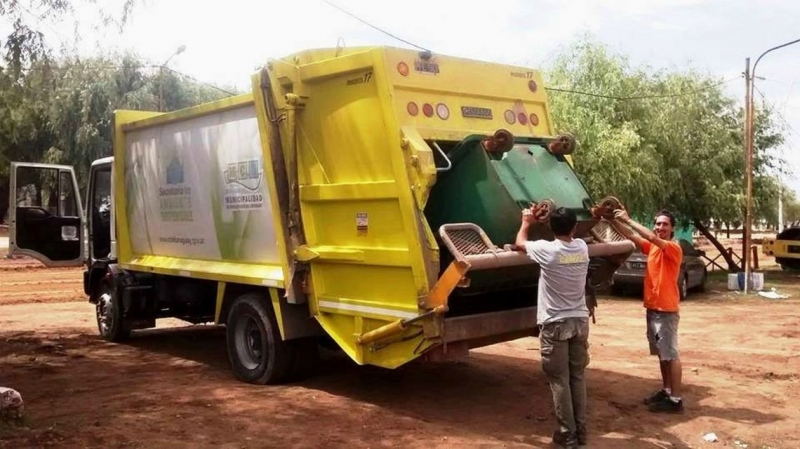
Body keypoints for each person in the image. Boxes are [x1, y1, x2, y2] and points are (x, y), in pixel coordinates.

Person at [515, 205, 591, 448]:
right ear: (575, 228)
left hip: (555, 324)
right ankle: (580, 431)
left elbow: (520, 243)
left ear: (551, 227)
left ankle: (566, 434)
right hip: (579, 321)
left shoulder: (547, 251)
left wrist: (527, 221)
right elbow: (568, 234)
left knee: (559, 380)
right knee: (577, 377)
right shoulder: (582, 248)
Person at [609, 208, 684, 413]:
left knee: (671, 354)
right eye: (658, 224)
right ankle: (666, 390)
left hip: (666, 309)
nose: (660, 228)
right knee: (662, 354)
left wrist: (628, 219)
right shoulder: (652, 248)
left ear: (672, 228)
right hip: (652, 308)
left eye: (665, 224)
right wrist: (612, 220)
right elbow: (630, 236)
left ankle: (676, 400)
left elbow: (647, 235)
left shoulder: (672, 247)